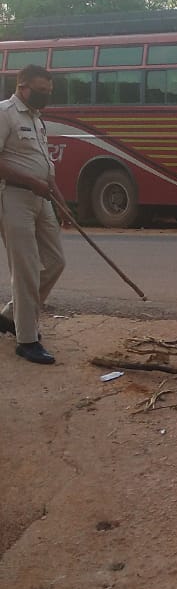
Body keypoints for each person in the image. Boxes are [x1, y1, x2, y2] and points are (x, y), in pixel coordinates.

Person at [0, 66, 70, 365]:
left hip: (42, 199)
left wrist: (60, 200)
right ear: (23, 86)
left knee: (55, 262)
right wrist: (33, 183)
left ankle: (9, 315)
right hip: (13, 198)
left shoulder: (37, 119)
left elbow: (44, 165)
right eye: (41, 90)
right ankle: (26, 340)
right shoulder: (5, 113)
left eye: (49, 91)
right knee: (26, 269)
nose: (46, 96)